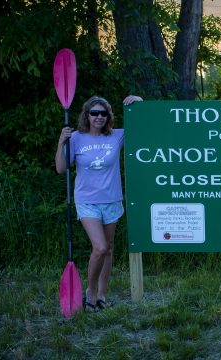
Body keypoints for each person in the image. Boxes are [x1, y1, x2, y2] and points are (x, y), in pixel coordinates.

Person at [55, 95, 142, 312]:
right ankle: (90, 292)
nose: (99, 117)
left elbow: (144, 126)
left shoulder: (116, 136)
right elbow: (61, 168)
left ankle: (102, 294)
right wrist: (61, 142)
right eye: (94, 113)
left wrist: (138, 102)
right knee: (100, 247)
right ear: (87, 115)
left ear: (108, 116)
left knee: (109, 249)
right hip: (87, 201)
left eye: (103, 113)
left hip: (112, 199)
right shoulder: (76, 138)